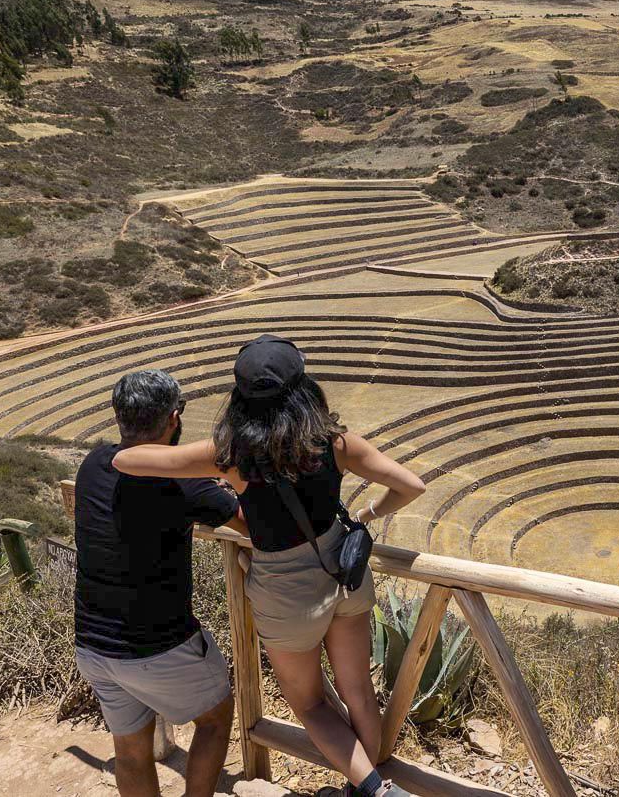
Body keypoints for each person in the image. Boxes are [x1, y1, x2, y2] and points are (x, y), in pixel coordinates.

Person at [113, 336, 427, 797]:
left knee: (313, 705)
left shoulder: (232, 457)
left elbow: (127, 459)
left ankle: (376, 791)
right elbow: (410, 486)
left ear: (240, 399)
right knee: (358, 691)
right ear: (304, 389)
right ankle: (373, 784)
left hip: (284, 591)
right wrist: (367, 516)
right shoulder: (338, 444)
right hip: (343, 573)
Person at [74, 370, 247, 797]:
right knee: (215, 718)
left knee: (130, 751)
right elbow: (251, 528)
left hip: (92, 645)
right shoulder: (184, 485)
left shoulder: (94, 463)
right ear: (173, 419)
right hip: (157, 646)